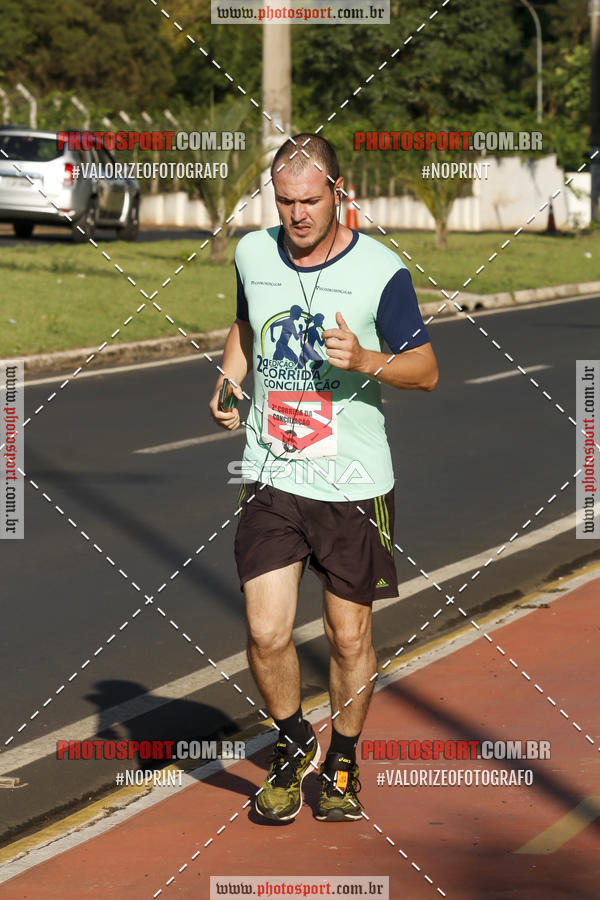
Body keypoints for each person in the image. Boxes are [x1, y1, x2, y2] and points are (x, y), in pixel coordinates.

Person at [209, 133, 438, 824]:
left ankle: (341, 760)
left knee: (347, 636)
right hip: (272, 471)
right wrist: (230, 377)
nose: (298, 215)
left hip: (353, 482)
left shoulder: (381, 271)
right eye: (285, 202)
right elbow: (247, 325)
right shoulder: (254, 253)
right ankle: (291, 741)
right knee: (265, 630)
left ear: (339, 192)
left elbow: (426, 371)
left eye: (310, 201)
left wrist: (365, 359)